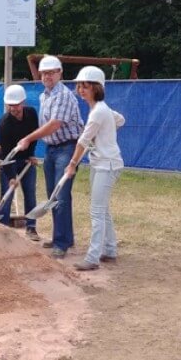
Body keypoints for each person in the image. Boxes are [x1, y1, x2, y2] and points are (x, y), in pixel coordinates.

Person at [17, 55, 84, 258]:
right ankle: (62, 237)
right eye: (44, 73)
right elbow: (46, 127)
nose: (47, 76)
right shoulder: (44, 96)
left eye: (51, 72)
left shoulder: (63, 95)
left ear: (59, 73)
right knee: (53, 195)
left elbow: (55, 124)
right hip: (52, 149)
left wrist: (28, 138)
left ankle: (61, 243)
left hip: (68, 148)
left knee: (60, 195)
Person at [66, 66, 125, 271]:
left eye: (86, 86)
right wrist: (106, 133)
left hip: (106, 165)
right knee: (103, 209)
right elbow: (120, 120)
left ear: (96, 87)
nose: (81, 90)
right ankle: (109, 250)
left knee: (97, 212)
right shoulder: (102, 110)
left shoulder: (98, 112)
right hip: (102, 163)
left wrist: (72, 165)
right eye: (79, 86)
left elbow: (82, 141)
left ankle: (92, 258)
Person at [0, 84, 40, 240]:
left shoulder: (32, 114)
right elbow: (5, 152)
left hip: (26, 159)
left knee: (30, 193)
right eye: (10, 105)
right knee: (7, 195)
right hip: (8, 161)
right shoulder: (3, 124)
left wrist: (31, 155)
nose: (13, 108)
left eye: (16, 105)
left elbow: (34, 136)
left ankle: (31, 228)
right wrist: (11, 177)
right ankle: (3, 230)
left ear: (23, 102)